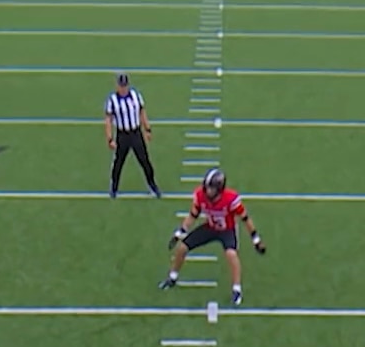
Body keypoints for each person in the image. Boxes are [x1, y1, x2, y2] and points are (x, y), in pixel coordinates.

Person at [161, 168, 265, 307]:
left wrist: (256, 239)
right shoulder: (201, 195)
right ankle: (172, 277)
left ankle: (237, 289)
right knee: (182, 248)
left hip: (227, 230)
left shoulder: (230, 199)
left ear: (219, 189)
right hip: (210, 227)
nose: (208, 191)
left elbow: (245, 218)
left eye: (211, 188)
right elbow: (193, 215)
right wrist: (179, 233)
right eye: (207, 187)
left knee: (231, 254)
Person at [105, 72, 160, 199]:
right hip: (122, 135)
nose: (123, 88)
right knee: (118, 163)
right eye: (121, 86)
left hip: (135, 133)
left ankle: (152, 185)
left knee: (145, 161)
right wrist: (110, 138)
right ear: (117, 85)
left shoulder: (135, 95)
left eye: (125, 85)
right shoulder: (112, 100)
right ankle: (114, 187)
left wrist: (147, 129)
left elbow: (142, 112)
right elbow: (108, 119)